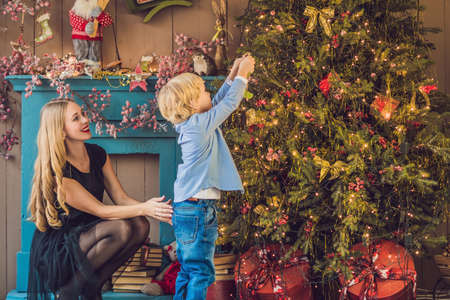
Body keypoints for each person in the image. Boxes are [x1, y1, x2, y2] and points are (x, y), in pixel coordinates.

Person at [27, 99, 173, 300]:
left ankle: (91, 287)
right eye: (76, 118)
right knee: (122, 228)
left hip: (92, 232)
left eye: (83, 114)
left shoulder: (97, 154)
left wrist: (156, 209)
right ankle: (69, 292)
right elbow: (101, 211)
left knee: (140, 225)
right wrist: (146, 208)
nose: (85, 120)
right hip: (61, 247)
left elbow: (120, 198)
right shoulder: (59, 173)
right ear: (60, 131)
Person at [157, 54, 255, 300]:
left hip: (192, 207)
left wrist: (232, 73)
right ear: (191, 104)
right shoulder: (199, 125)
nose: (208, 93)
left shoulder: (195, 122)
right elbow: (229, 103)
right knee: (200, 272)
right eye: (202, 91)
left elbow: (220, 100)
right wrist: (243, 75)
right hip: (197, 209)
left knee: (189, 271)